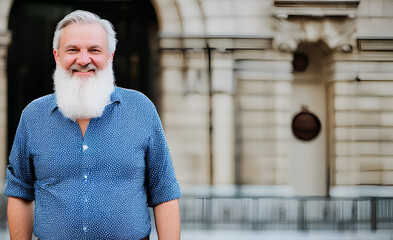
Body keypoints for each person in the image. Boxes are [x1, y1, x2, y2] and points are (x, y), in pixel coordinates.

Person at [4, 10, 181, 240]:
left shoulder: (141, 109)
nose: (84, 60)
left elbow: (164, 191)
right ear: (57, 56)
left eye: (94, 50)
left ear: (110, 56)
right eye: (73, 50)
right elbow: (19, 192)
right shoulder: (33, 116)